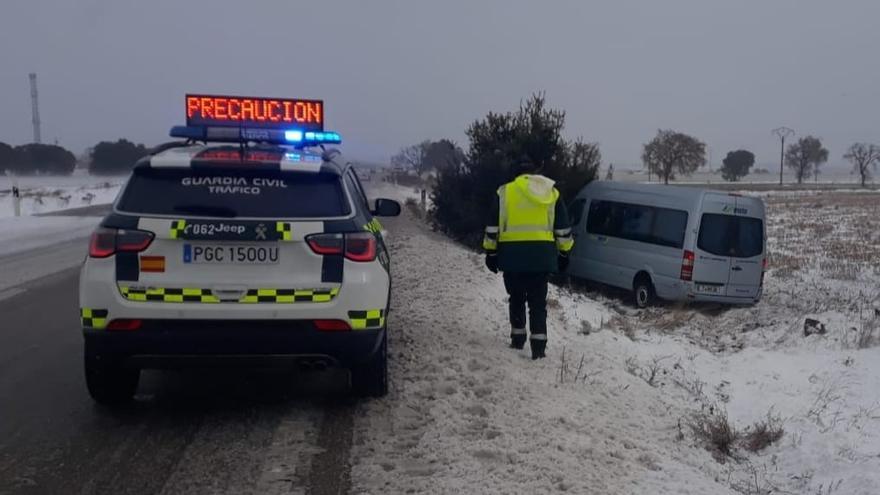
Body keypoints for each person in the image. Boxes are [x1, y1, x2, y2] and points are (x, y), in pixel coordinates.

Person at [482, 168, 574, 359]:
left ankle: (517, 339)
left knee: (516, 297)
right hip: (541, 258)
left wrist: (491, 252)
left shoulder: (505, 192)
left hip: (512, 256)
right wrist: (564, 253)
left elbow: (492, 226)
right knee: (538, 303)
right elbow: (563, 228)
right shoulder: (552, 193)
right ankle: (539, 348)